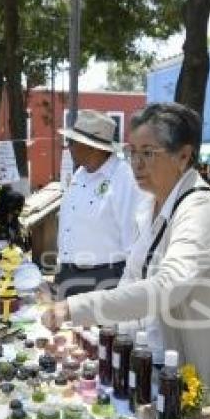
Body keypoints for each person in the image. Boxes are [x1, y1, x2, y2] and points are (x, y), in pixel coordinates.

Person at [43, 103, 210, 413]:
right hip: (159, 361)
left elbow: (167, 287)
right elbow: (132, 278)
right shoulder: (150, 207)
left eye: (148, 153)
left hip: (204, 375)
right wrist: (100, 334)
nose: (137, 164)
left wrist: (75, 308)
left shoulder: (201, 209)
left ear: (183, 155)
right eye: (132, 153)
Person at [55, 109, 151, 299]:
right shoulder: (78, 175)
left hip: (103, 279)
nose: (68, 147)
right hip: (69, 277)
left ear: (92, 147)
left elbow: (134, 242)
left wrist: (128, 293)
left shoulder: (124, 178)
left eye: (72, 142)